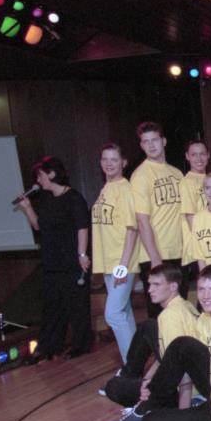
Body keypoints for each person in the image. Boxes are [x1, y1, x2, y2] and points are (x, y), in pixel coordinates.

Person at [105, 264, 211, 421]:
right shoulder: (206, 318)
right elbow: (183, 363)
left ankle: (145, 406)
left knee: (148, 420)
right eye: (201, 289)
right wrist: (152, 384)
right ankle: (146, 405)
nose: (205, 296)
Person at [17, 155, 92, 360]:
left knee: (76, 306)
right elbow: (38, 226)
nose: (38, 180)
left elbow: (82, 227)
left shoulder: (73, 198)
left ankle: (81, 345)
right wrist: (28, 208)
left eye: (40, 175)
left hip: (72, 261)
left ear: (52, 174)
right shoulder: (46, 200)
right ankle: (48, 347)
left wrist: (82, 254)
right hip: (52, 262)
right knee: (51, 307)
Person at [102, 264, 200, 407]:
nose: (150, 290)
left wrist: (183, 411)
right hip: (191, 384)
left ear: (173, 286)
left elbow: (178, 367)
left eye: (156, 285)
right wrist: (146, 381)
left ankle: (139, 403)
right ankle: (131, 378)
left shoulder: (169, 316)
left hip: (180, 391)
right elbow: (165, 356)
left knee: (113, 386)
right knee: (148, 326)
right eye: (149, 284)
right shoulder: (186, 305)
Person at [91, 143, 141, 362]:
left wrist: (123, 265)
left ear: (124, 163)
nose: (109, 163)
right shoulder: (106, 188)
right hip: (108, 262)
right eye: (105, 159)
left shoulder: (125, 189)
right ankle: (133, 365)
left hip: (121, 263)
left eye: (114, 159)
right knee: (124, 314)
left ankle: (132, 367)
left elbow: (132, 229)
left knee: (112, 315)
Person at [131, 121, 185, 318]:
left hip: (178, 251)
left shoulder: (177, 173)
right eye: (146, 141)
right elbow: (142, 220)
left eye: (154, 140)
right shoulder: (140, 175)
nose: (151, 145)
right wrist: (155, 257)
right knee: (159, 315)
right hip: (156, 254)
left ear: (164, 141)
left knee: (180, 310)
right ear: (141, 145)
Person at [179, 139, 209, 273]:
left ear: (208, 155)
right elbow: (190, 217)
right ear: (187, 156)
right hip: (199, 248)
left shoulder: (210, 178)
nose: (199, 158)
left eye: (202, 154)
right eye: (194, 154)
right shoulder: (187, 182)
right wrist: (203, 243)